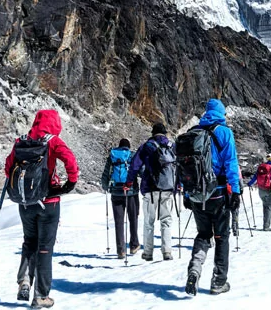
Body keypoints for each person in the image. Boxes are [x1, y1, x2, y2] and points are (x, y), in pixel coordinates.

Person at [4, 109, 79, 309]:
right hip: (49, 202)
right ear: (54, 123)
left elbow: (8, 167)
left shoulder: (21, 141)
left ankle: (24, 281)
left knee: (29, 242)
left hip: (26, 203)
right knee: (45, 248)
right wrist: (70, 183)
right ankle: (41, 296)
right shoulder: (52, 141)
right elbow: (70, 161)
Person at [184, 99, 240, 296]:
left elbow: (185, 167)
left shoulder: (193, 133)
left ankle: (194, 270)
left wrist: (186, 193)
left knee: (203, 235)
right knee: (221, 237)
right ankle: (218, 281)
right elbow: (231, 163)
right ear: (221, 113)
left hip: (197, 195)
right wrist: (235, 191)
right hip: (218, 193)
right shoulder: (224, 132)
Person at [125, 123, 175, 261]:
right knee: (166, 221)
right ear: (165, 133)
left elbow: (135, 165)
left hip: (150, 189)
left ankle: (148, 252)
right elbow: (177, 166)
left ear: (153, 133)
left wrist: (129, 182)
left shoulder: (147, 146)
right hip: (167, 188)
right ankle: (167, 252)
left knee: (149, 222)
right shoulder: (171, 146)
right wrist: (178, 185)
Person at [101, 138, 140, 259]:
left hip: (116, 192)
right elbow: (138, 171)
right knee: (133, 218)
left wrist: (106, 186)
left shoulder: (112, 156)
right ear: (128, 147)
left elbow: (106, 173)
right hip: (131, 192)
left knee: (119, 222)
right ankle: (134, 245)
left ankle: (121, 250)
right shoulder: (131, 156)